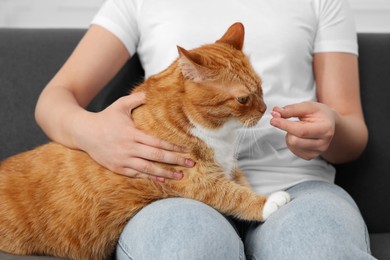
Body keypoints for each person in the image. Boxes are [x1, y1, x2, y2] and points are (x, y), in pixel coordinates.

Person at [35, 0, 375, 259]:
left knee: (321, 247)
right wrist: (93, 132)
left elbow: (352, 137)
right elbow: (53, 99)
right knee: (186, 246)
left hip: (297, 186)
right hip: (176, 188)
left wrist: (331, 130)